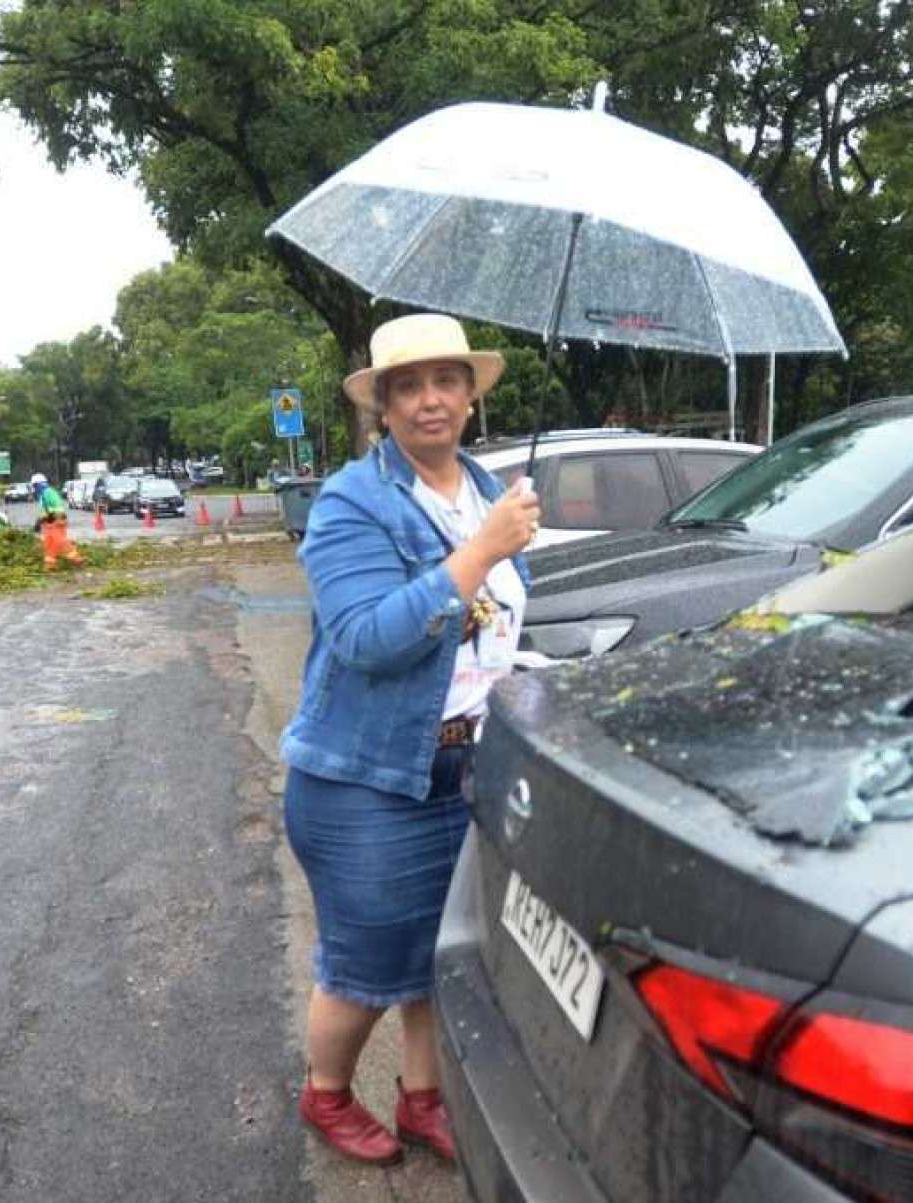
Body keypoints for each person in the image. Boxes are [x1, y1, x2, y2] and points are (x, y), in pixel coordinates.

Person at [279, 313, 539, 1165]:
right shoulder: (355, 499)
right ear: (383, 407)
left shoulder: (482, 483)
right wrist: (481, 551)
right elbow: (363, 636)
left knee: (437, 951)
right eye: (409, 386)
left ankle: (424, 1098)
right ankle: (325, 1095)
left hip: (468, 759)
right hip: (370, 780)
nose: (431, 400)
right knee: (363, 967)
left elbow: (492, 623)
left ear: (470, 396)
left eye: (446, 381)